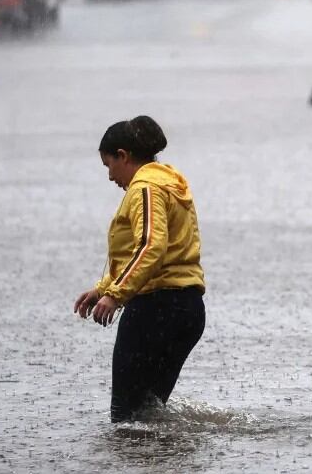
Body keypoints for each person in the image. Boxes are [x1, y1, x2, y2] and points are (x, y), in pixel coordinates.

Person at [73, 115, 206, 422]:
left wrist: (116, 296)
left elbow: (150, 246)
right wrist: (103, 289)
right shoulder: (171, 182)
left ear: (124, 155)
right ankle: (169, 465)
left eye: (108, 166)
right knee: (148, 416)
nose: (109, 177)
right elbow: (157, 250)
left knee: (125, 419)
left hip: (155, 310)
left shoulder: (145, 188)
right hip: (187, 310)